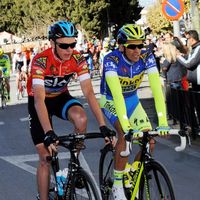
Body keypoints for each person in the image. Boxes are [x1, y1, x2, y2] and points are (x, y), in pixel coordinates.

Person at [27, 20, 112, 200]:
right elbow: (39, 99)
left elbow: (88, 92)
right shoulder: (40, 60)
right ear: (52, 43)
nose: (69, 49)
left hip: (60, 97)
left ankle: (73, 165)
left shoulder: (78, 59)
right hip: (39, 101)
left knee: (81, 119)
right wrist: (49, 132)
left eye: (72, 44)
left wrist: (103, 125)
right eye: (64, 45)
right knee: (45, 157)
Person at [100, 24, 169, 200]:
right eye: (132, 46)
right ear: (121, 46)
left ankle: (132, 172)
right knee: (124, 134)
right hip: (112, 101)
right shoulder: (111, 59)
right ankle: (117, 186)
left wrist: (163, 122)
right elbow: (116, 94)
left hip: (132, 101)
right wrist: (126, 126)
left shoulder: (147, 56)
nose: (137, 50)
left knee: (149, 141)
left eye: (140, 45)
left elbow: (156, 90)